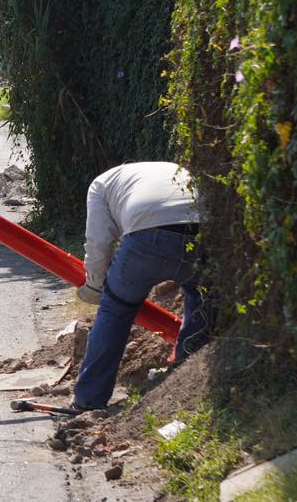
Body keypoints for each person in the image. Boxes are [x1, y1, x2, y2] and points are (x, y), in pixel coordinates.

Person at [71, 161, 210, 411]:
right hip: (202, 234)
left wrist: (94, 285)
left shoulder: (100, 185)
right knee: (201, 296)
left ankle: (89, 400)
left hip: (147, 239)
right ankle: (186, 375)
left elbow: (99, 241)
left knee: (115, 311)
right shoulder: (172, 168)